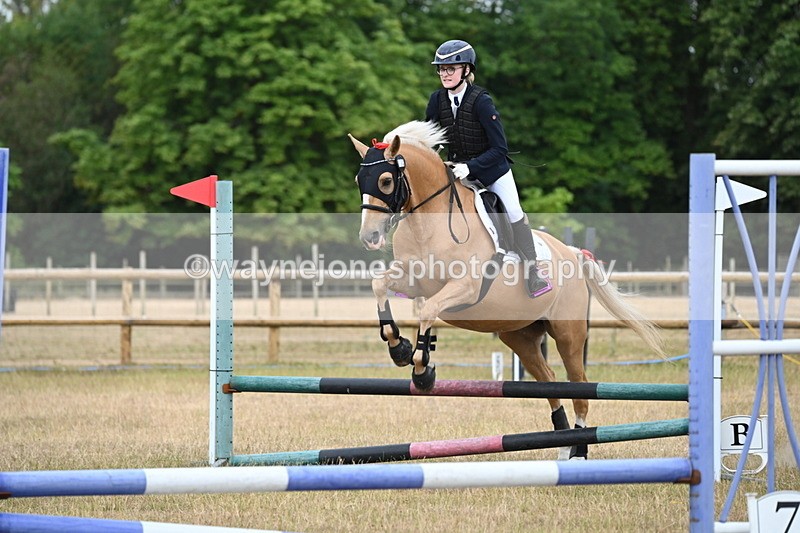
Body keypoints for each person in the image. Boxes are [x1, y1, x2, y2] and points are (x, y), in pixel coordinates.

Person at [425, 39, 551, 298]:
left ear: (467, 70)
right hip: (455, 170)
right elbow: (432, 140)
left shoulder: (481, 101)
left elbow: (500, 149)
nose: (445, 74)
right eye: (441, 69)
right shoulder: (436, 100)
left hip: (492, 171)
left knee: (514, 212)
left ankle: (533, 272)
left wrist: (470, 167)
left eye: (451, 68)